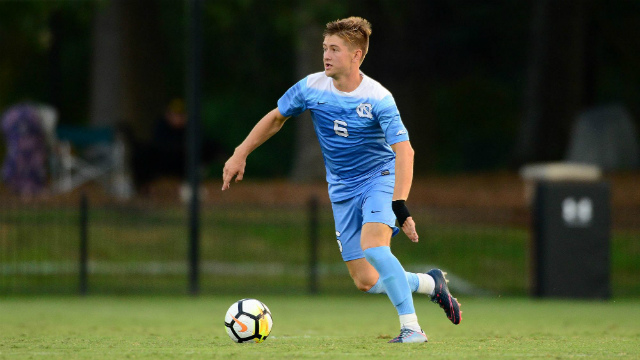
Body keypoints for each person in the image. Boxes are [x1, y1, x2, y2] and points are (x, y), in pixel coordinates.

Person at [222, 17, 461, 343]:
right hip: (342, 188)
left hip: (380, 177)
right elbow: (277, 118)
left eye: (334, 49)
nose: (326, 55)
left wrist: (399, 203)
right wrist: (240, 153)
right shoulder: (311, 87)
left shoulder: (378, 97)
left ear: (356, 55)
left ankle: (412, 329)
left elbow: (405, 152)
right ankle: (432, 284)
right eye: (324, 48)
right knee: (366, 280)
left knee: (375, 248)